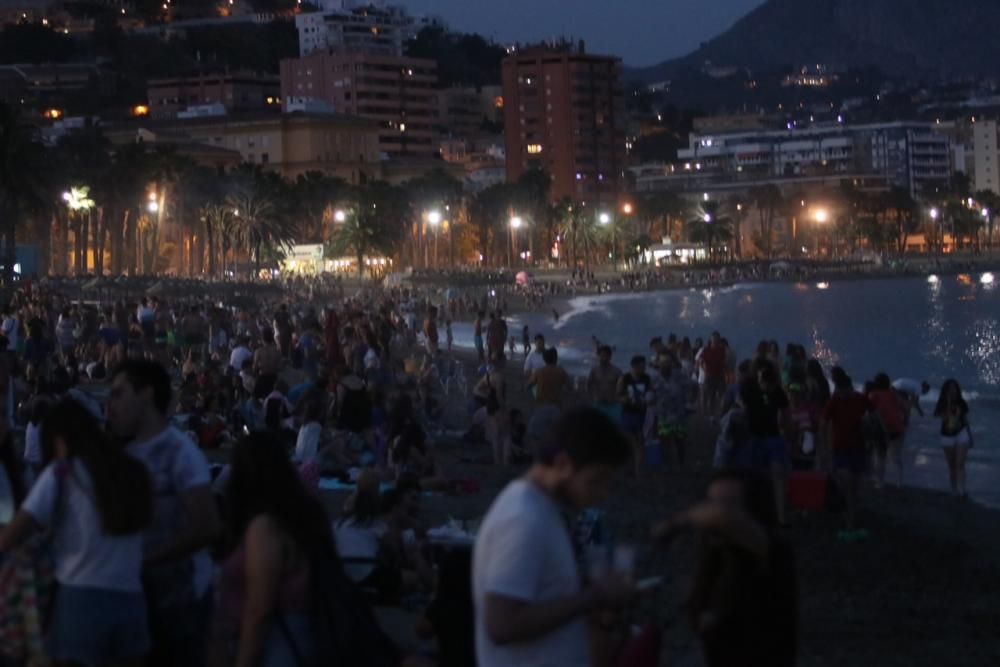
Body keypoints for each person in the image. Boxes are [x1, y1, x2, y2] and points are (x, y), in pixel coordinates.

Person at [473, 407, 635, 667]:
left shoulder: (540, 509)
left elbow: (537, 595)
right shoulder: (523, 518)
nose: (603, 493)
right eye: (596, 480)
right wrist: (592, 597)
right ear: (562, 464)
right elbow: (501, 624)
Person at [0, 399, 153, 667]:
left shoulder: (63, 472)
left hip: (79, 603)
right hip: (133, 601)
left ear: (59, 439)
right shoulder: (132, 469)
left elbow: (10, 536)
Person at [107, 360, 223, 667]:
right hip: (139, 599)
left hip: (181, 604)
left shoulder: (180, 453)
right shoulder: (125, 454)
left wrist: (146, 559)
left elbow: (207, 526)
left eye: (119, 394)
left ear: (145, 394)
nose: (111, 405)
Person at [653, 469, 798, 667]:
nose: (713, 514)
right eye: (711, 502)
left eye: (729, 505)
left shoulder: (773, 554)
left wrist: (675, 524)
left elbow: (723, 518)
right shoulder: (714, 563)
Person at [822, 367, 873, 539]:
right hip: (840, 450)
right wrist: (825, 450)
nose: (842, 395)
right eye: (840, 392)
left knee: (856, 490)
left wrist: (877, 434)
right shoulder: (835, 401)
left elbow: (875, 414)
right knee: (849, 488)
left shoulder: (860, 399)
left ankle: (850, 521)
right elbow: (823, 423)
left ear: (849, 388)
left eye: (844, 392)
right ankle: (849, 524)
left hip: (858, 449)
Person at [742, 364, 789, 524]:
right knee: (756, 476)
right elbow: (742, 408)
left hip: (771, 436)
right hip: (756, 436)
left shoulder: (777, 392)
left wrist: (788, 434)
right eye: (767, 385)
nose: (769, 388)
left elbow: (785, 413)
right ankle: (756, 512)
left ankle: (780, 516)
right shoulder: (751, 389)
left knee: (777, 475)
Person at [867, 373, 906, 488]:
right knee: (896, 457)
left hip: (881, 429)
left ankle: (880, 482)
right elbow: (903, 406)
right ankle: (899, 482)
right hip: (897, 427)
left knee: (880, 456)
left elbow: (869, 412)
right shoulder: (893, 394)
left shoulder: (873, 395)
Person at [934, 379, 971, 498]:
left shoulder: (961, 402)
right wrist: (949, 403)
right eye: (950, 389)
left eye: (954, 388)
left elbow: (965, 420)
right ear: (946, 391)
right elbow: (945, 419)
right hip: (947, 436)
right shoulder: (941, 403)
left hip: (961, 433)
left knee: (960, 463)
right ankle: (954, 489)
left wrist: (970, 435)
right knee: (952, 465)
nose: (953, 391)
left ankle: (962, 490)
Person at [618, 355, 652, 477]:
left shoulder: (647, 379)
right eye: (642, 366)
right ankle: (631, 467)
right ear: (634, 366)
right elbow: (618, 395)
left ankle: (637, 471)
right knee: (629, 441)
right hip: (628, 414)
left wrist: (647, 399)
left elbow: (650, 393)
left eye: (644, 366)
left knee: (639, 442)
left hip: (642, 415)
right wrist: (626, 399)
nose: (644, 369)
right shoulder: (625, 378)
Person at [587, 345, 622, 422]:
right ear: (598, 356)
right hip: (599, 404)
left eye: (605, 356)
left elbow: (623, 387)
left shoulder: (616, 371)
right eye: (601, 356)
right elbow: (589, 385)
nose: (603, 358)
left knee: (614, 429)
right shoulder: (594, 370)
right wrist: (591, 398)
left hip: (613, 405)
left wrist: (620, 399)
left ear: (610, 357)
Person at [699, 332, 727, 417]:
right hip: (710, 376)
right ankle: (712, 415)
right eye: (713, 338)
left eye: (716, 338)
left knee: (723, 395)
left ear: (718, 339)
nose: (715, 340)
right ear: (710, 339)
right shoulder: (706, 350)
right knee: (711, 396)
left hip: (720, 376)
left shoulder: (722, 350)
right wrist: (706, 371)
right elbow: (701, 362)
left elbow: (725, 362)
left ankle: (721, 413)